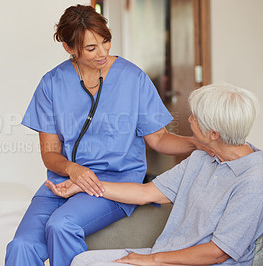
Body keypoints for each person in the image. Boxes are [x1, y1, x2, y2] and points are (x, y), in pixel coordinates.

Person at [5, 4, 209, 266]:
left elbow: (158, 139)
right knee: (21, 246)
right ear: (69, 49)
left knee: (61, 225)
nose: (103, 52)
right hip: (64, 181)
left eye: (106, 41)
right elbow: (50, 153)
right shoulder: (51, 84)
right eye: (91, 48)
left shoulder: (133, 78)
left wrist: (198, 143)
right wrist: (73, 170)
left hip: (113, 182)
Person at [46, 83, 263, 266]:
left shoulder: (253, 180)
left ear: (213, 133)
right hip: (165, 254)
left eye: (195, 117)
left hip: (188, 262)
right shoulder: (203, 158)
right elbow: (146, 193)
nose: (189, 119)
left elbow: (218, 252)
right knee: (82, 261)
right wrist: (84, 185)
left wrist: (151, 260)